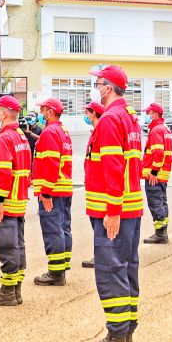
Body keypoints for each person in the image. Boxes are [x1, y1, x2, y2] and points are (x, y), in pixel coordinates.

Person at [83, 65, 143, 342]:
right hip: (129, 207)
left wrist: (112, 210)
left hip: (114, 210)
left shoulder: (110, 119)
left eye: (98, 82)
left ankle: (117, 337)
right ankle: (126, 334)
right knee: (126, 269)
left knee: (110, 272)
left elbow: (113, 167)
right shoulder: (129, 117)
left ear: (108, 87)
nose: (95, 85)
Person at [0, 95, 31, 306]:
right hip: (19, 199)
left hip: (6, 201)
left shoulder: (4, 139)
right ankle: (16, 289)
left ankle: (7, 292)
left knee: (7, 247)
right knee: (18, 245)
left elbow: (4, 173)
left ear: (4, 114)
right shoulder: (21, 136)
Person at [32, 98, 73, 286]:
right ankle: (62, 266)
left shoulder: (50, 132)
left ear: (50, 111)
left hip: (52, 190)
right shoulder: (62, 131)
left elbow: (50, 162)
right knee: (63, 227)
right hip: (63, 187)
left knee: (53, 229)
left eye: (42, 109)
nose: (40, 112)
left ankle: (56, 273)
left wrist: (46, 191)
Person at [141, 103, 172, 244]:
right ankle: (162, 230)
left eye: (149, 113)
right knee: (162, 201)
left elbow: (158, 152)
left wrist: (154, 171)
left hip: (155, 174)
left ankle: (160, 234)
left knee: (155, 202)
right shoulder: (165, 129)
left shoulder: (156, 130)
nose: (148, 116)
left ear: (155, 114)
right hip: (163, 173)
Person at [80, 102, 105, 270]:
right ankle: (100, 256)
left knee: (100, 225)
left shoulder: (102, 133)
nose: (86, 116)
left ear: (94, 113)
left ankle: (102, 257)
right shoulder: (96, 132)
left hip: (100, 188)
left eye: (88, 113)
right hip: (93, 185)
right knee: (97, 225)